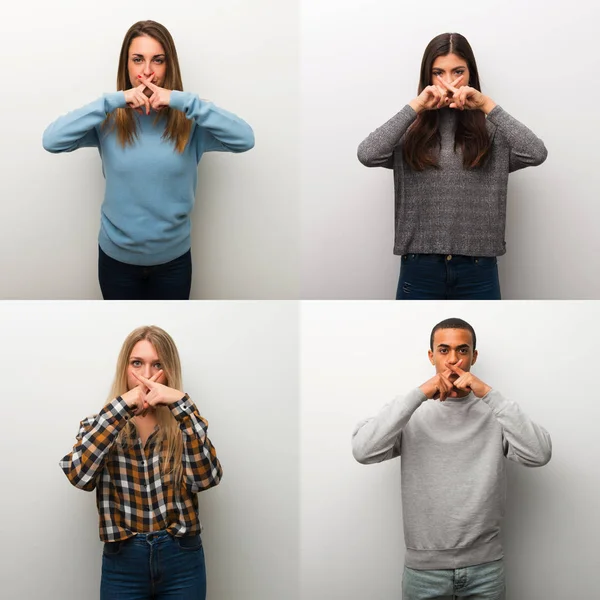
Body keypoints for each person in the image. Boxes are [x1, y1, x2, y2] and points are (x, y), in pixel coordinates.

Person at [43, 20, 255, 300]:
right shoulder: (108, 119)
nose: (147, 71)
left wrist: (182, 101)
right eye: (138, 59)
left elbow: (245, 139)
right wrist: (112, 102)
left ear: (169, 66)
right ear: (126, 65)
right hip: (116, 262)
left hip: (173, 263)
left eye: (158, 60)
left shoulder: (189, 122)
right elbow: (52, 140)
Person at [351, 317, 551, 600]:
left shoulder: (496, 412)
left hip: (486, 570)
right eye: (444, 350)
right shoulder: (410, 413)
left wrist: (490, 395)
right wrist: (419, 393)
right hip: (424, 574)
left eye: (462, 350)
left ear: (474, 356)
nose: (453, 360)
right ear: (431, 356)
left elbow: (540, 454)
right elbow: (363, 451)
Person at [357, 33, 547, 300]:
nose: (448, 82)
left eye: (458, 71)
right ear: (427, 77)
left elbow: (536, 153)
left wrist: (485, 105)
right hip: (419, 266)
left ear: (471, 74)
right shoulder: (411, 131)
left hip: (479, 268)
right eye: (438, 73)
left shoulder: (491, 131)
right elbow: (367, 154)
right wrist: (416, 107)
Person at [60, 325, 222, 600]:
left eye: (158, 365)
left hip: (182, 558)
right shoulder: (98, 425)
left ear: (170, 371)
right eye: (137, 363)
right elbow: (79, 476)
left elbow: (205, 479)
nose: (147, 377)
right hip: (123, 561)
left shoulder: (185, 425)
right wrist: (121, 407)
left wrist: (182, 403)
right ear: (125, 368)